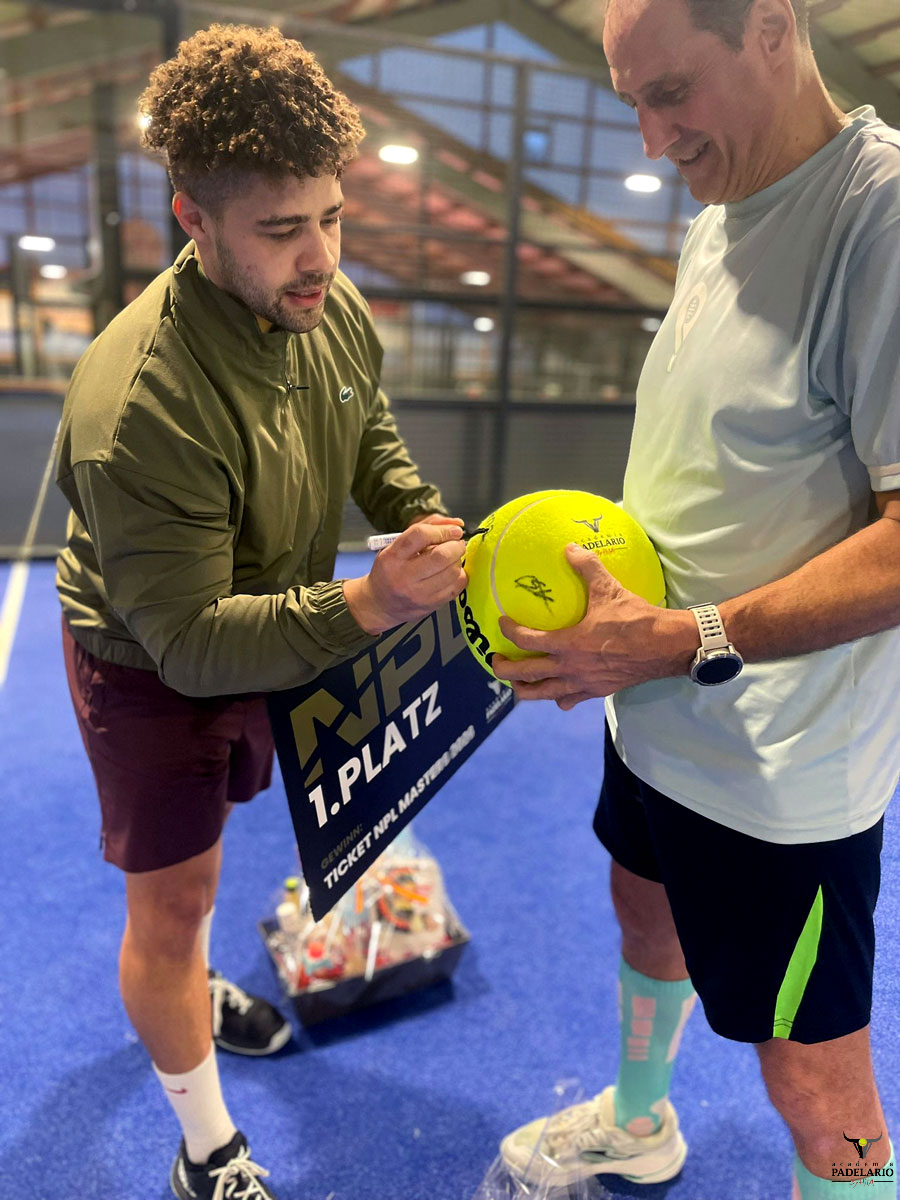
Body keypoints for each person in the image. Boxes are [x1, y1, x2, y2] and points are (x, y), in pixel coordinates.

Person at [495, 1, 900, 1196]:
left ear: (771, 25)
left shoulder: (877, 217)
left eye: (670, 93)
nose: (650, 138)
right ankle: (639, 1121)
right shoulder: (719, 213)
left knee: (820, 1089)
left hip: (781, 774)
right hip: (659, 715)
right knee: (644, 911)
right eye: (631, 100)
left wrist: (684, 637)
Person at [55, 24, 466, 1200]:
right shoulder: (142, 406)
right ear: (193, 218)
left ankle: (187, 990)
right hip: (151, 663)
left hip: (279, 623)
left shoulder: (322, 303)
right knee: (175, 903)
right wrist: (372, 600)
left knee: (215, 864)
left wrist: (421, 522)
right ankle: (206, 1152)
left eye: (331, 216)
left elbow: (363, 424)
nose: (320, 256)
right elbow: (189, 643)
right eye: (282, 229)